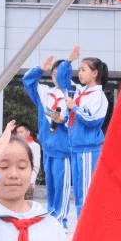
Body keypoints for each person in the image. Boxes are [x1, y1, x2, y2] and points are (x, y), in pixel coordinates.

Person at [55, 45, 109, 218]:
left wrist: (75, 108)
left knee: (86, 195)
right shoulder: (79, 91)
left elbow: (93, 121)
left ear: (95, 73)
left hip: (88, 149)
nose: (80, 73)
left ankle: (86, 235)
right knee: (79, 194)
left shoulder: (98, 97)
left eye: (83, 69)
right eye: (79, 69)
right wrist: (69, 60)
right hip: (76, 148)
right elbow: (61, 79)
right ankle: (81, 231)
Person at [22, 56, 71, 226]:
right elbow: (27, 81)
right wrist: (40, 69)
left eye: (60, 74)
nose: (56, 77)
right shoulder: (45, 92)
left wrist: (62, 120)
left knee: (61, 184)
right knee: (50, 184)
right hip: (48, 146)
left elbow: (74, 117)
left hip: (63, 147)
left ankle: (60, 219)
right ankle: (51, 215)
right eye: (53, 74)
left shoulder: (72, 93)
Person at [16, 125, 40, 201]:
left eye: (21, 132)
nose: (19, 134)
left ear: (28, 132)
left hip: (28, 181)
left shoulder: (34, 146)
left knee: (27, 204)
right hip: (16, 181)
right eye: (17, 132)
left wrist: (32, 181)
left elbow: (36, 164)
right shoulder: (16, 145)